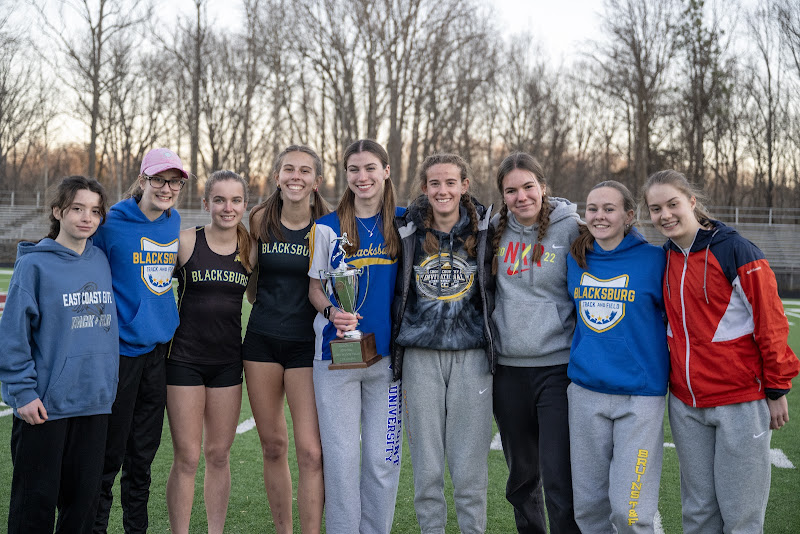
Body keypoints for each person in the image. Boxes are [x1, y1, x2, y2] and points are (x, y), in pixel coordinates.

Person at [642, 170, 799, 534]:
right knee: (698, 512)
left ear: (692, 202)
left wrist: (776, 389)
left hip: (740, 401)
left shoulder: (736, 250)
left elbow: (771, 323)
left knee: (742, 515)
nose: (664, 214)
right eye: (655, 208)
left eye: (672, 204)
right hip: (686, 404)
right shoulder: (664, 257)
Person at [0, 176, 118, 533]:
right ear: (57, 211)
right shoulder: (34, 266)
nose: (87, 217)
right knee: (33, 507)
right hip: (45, 408)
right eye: (77, 208)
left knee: (81, 508)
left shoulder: (100, 260)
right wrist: (23, 393)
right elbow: (13, 336)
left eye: (95, 211)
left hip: (94, 403)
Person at [391, 154, 494, 533]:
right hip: (420, 356)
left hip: (472, 357)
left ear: (465, 185)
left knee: (469, 471)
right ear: (424, 189)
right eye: (435, 183)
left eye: (450, 182)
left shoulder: (487, 228)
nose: (443, 190)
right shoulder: (406, 229)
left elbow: (535, 217)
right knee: (428, 469)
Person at [307, 139, 403, 534]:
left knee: (384, 459)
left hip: (390, 361)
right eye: (353, 170)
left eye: (369, 168)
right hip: (336, 358)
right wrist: (333, 311)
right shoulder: (326, 228)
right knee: (343, 460)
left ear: (385, 171)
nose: (361, 177)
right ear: (345, 175)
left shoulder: (405, 222)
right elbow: (315, 288)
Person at [92, 148, 187, 534]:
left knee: (142, 458)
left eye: (175, 182)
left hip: (158, 356)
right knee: (108, 457)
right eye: (159, 180)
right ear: (143, 180)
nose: (167, 189)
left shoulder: (173, 221)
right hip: (120, 356)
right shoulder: (110, 223)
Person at [566, 180, 669, 533]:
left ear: (629, 215)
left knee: (631, 511)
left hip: (639, 398)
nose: (599, 215)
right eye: (592, 208)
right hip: (585, 393)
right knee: (589, 510)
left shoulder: (656, 260)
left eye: (609, 209)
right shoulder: (576, 257)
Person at [490, 152, 581, 533]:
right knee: (522, 480)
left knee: (560, 479)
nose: (521, 196)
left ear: (543, 187)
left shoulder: (573, 229)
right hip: (507, 370)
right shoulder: (492, 231)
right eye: (511, 190)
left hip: (556, 370)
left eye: (528, 187)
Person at [242, 146, 328, 534]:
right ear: (277, 176)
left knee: (310, 452)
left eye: (305, 171)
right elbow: (247, 277)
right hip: (260, 341)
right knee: (273, 445)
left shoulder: (328, 224)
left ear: (316, 180)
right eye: (288, 169)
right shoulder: (260, 218)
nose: (296, 176)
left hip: (305, 347)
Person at [164, 170, 253, 534]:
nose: (227, 207)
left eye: (235, 200)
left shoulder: (252, 249)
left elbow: (262, 297)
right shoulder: (184, 242)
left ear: (245, 205)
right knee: (187, 456)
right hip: (183, 360)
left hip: (228, 364)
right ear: (206, 204)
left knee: (218, 454)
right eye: (219, 199)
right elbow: (147, 284)